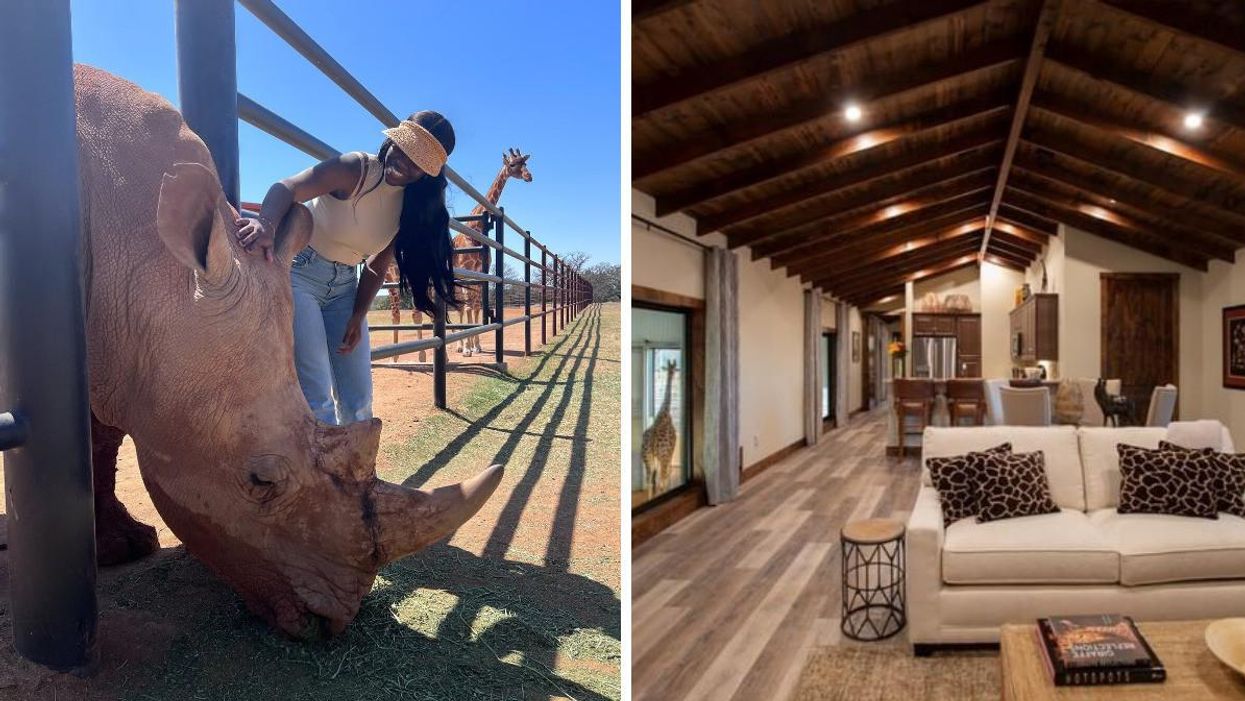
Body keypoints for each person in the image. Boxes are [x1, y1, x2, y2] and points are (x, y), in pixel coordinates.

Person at [234, 111, 458, 425]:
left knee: (360, 401)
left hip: (345, 288)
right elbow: (287, 187)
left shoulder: (411, 208)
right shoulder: (355, 168)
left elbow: (376, 267)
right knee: (317, 396)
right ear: (392, 141)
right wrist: (267, 225)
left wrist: (358, 314)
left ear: (426, 173)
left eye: (417, 163)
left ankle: (356, 473)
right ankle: (322, 474)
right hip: (300, 273)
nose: (404, 164)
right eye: (402, 150)